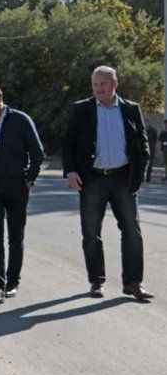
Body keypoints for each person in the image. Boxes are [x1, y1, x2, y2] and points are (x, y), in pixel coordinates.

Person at [62, 66, 154, 300]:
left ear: (115, 83)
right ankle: (96, 281)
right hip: (92, 179)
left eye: (103, 84)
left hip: (124, 178)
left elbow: (142, 144)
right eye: (95, 85)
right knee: (91, 232)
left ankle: (133, 283)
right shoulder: (82, 109)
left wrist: (138, 174)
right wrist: (70, 171)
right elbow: (68, 143)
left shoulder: (131, 109)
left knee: (132, 231)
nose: (98, 89)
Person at [0, 83, 44, 304]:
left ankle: (12, 282)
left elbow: (38, 152)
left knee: (16, 236)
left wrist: (29, 179)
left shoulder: (20, 120)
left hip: (17, 186)